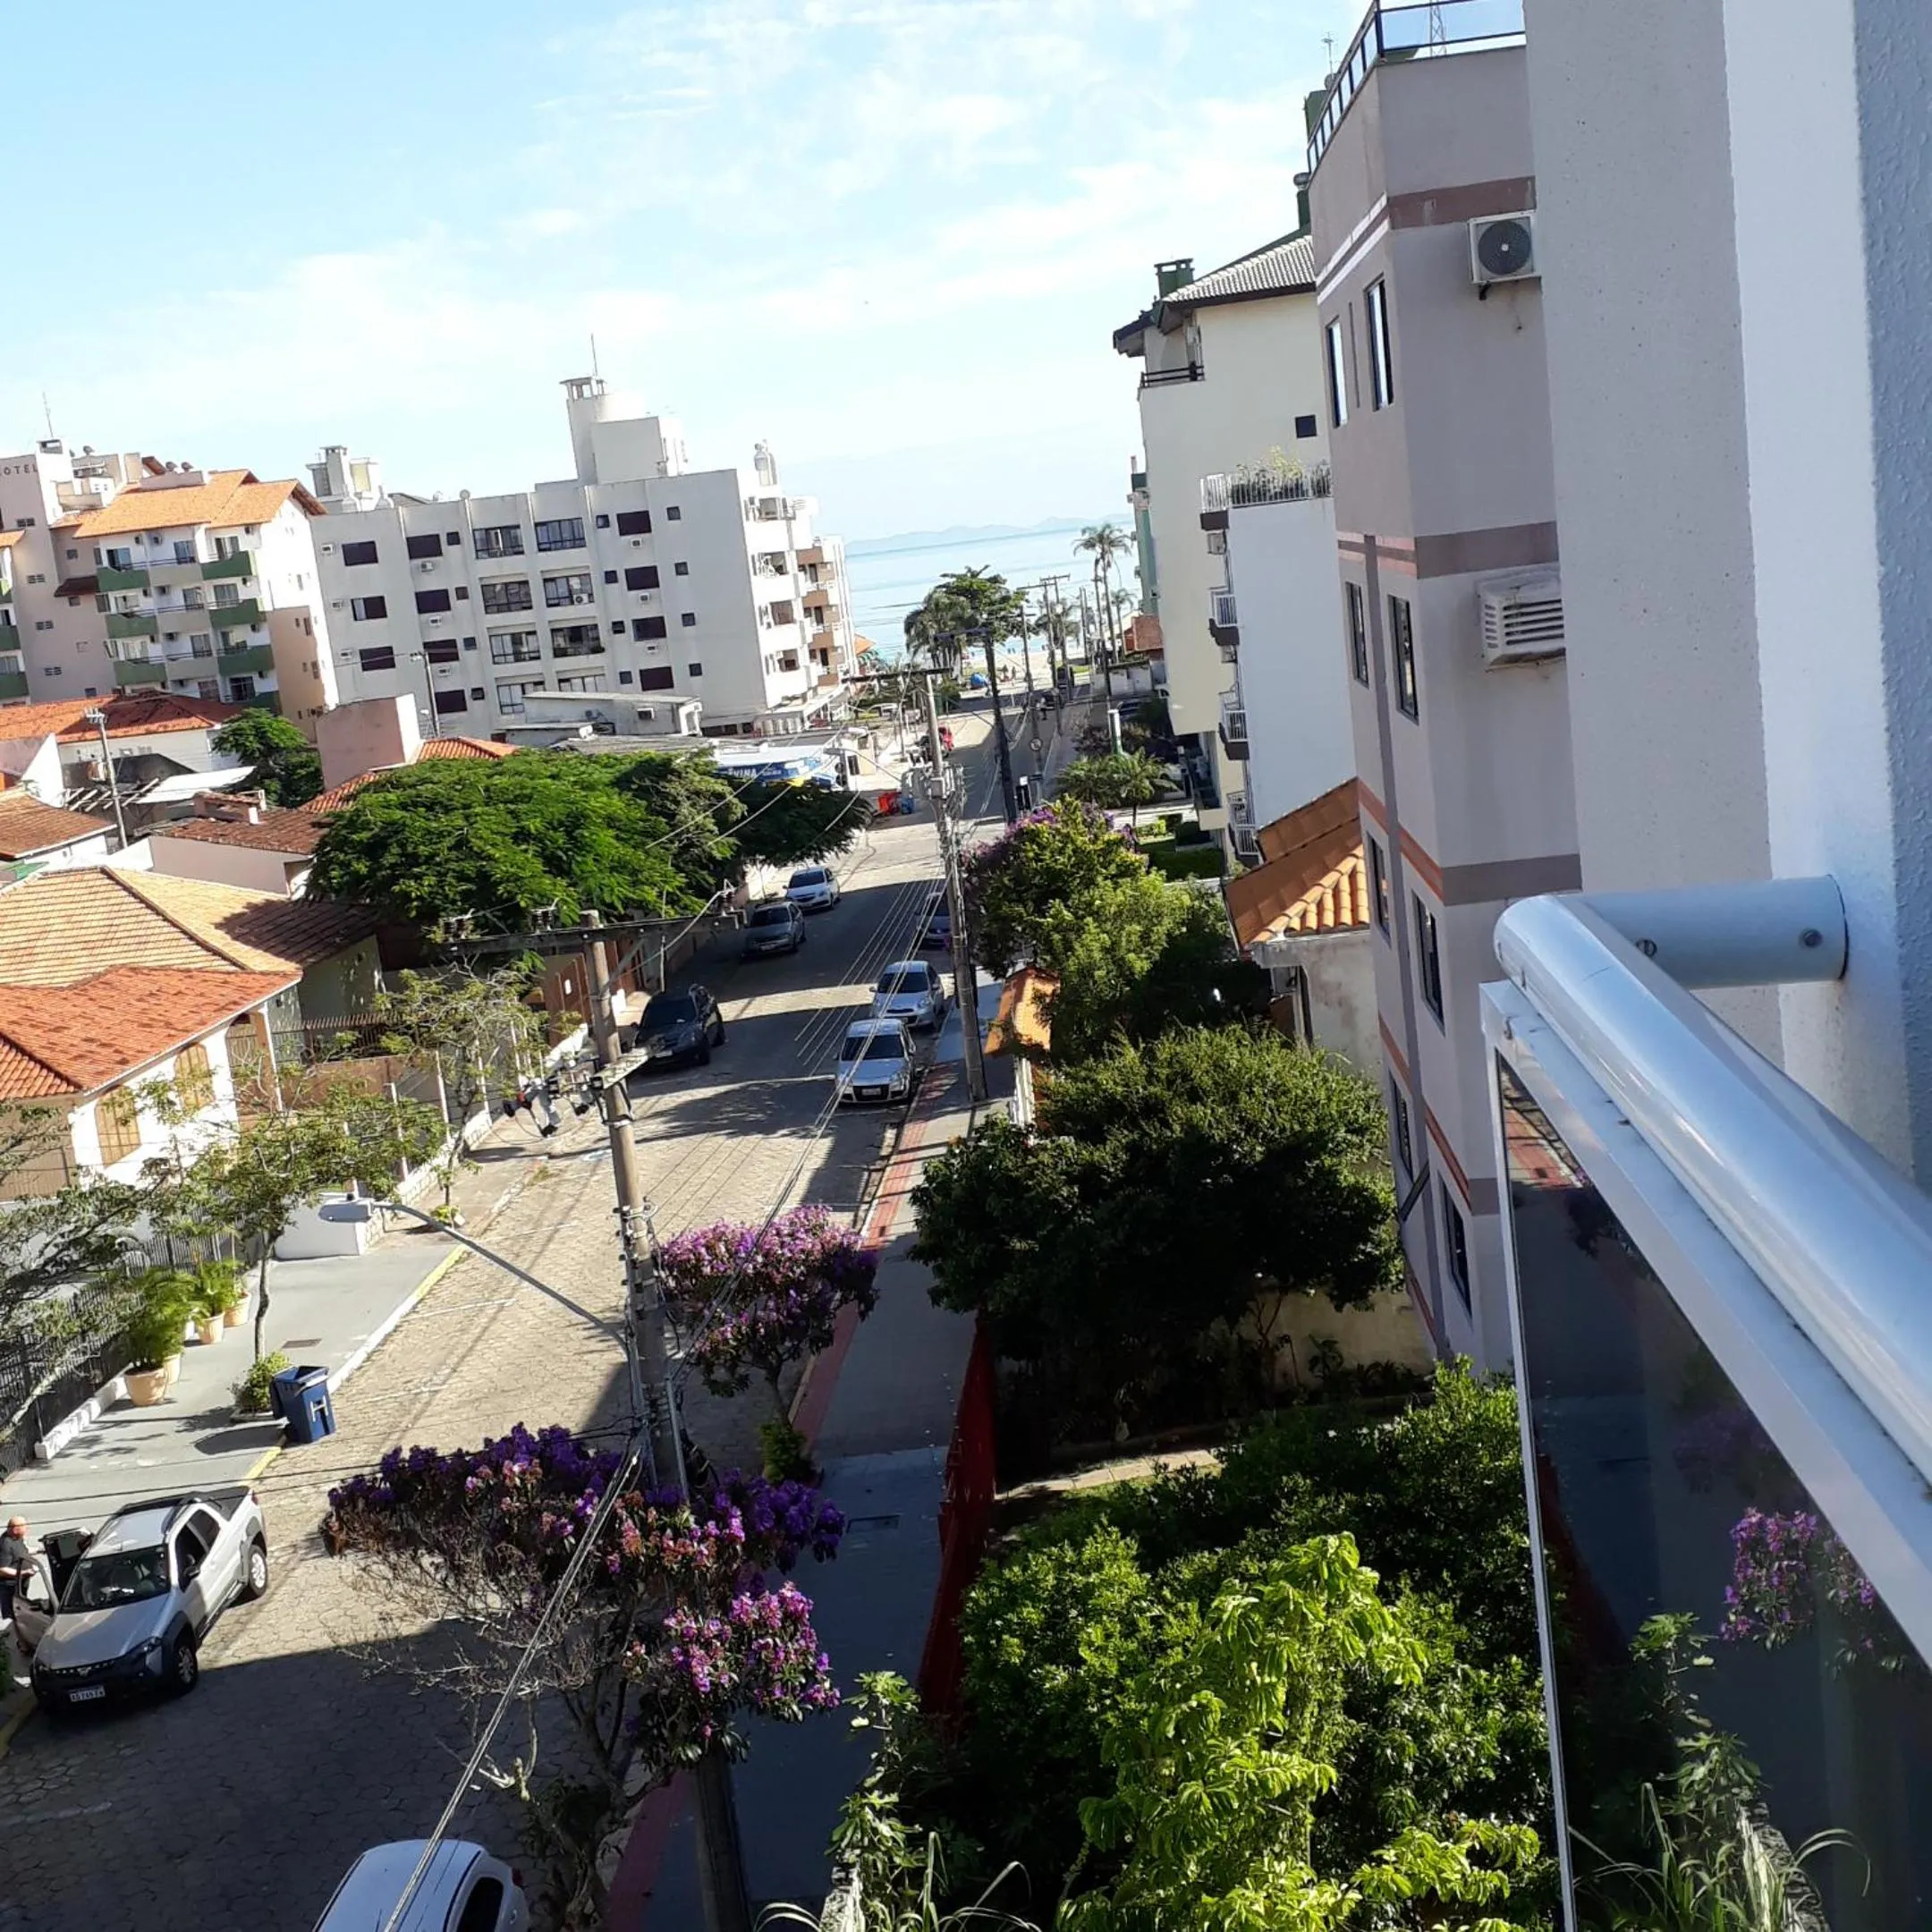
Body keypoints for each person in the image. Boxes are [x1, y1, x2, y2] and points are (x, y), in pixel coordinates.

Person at [0, 1514, 30, 1624]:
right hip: (10, 1588)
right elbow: (2, 1570)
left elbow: (22, 1551)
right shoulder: (5, 1544)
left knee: (22, 1611)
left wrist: (41, 1549)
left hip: (20, 1585)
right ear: (16, 1529)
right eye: (25, 1526)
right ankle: (17, 1636)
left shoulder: (17, 1538)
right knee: (15, 1616)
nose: (27, 1529)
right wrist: (24, 1573)